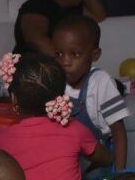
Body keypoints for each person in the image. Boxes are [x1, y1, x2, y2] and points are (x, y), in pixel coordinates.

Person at [52, 14, 130, 171]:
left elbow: (119, 132)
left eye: (75, 54)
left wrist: (120, 175)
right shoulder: (56, 81)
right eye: (59, 54)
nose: (65, 62)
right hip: (69, 157)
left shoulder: (101, 82)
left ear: (95, 55)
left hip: (100, 159)